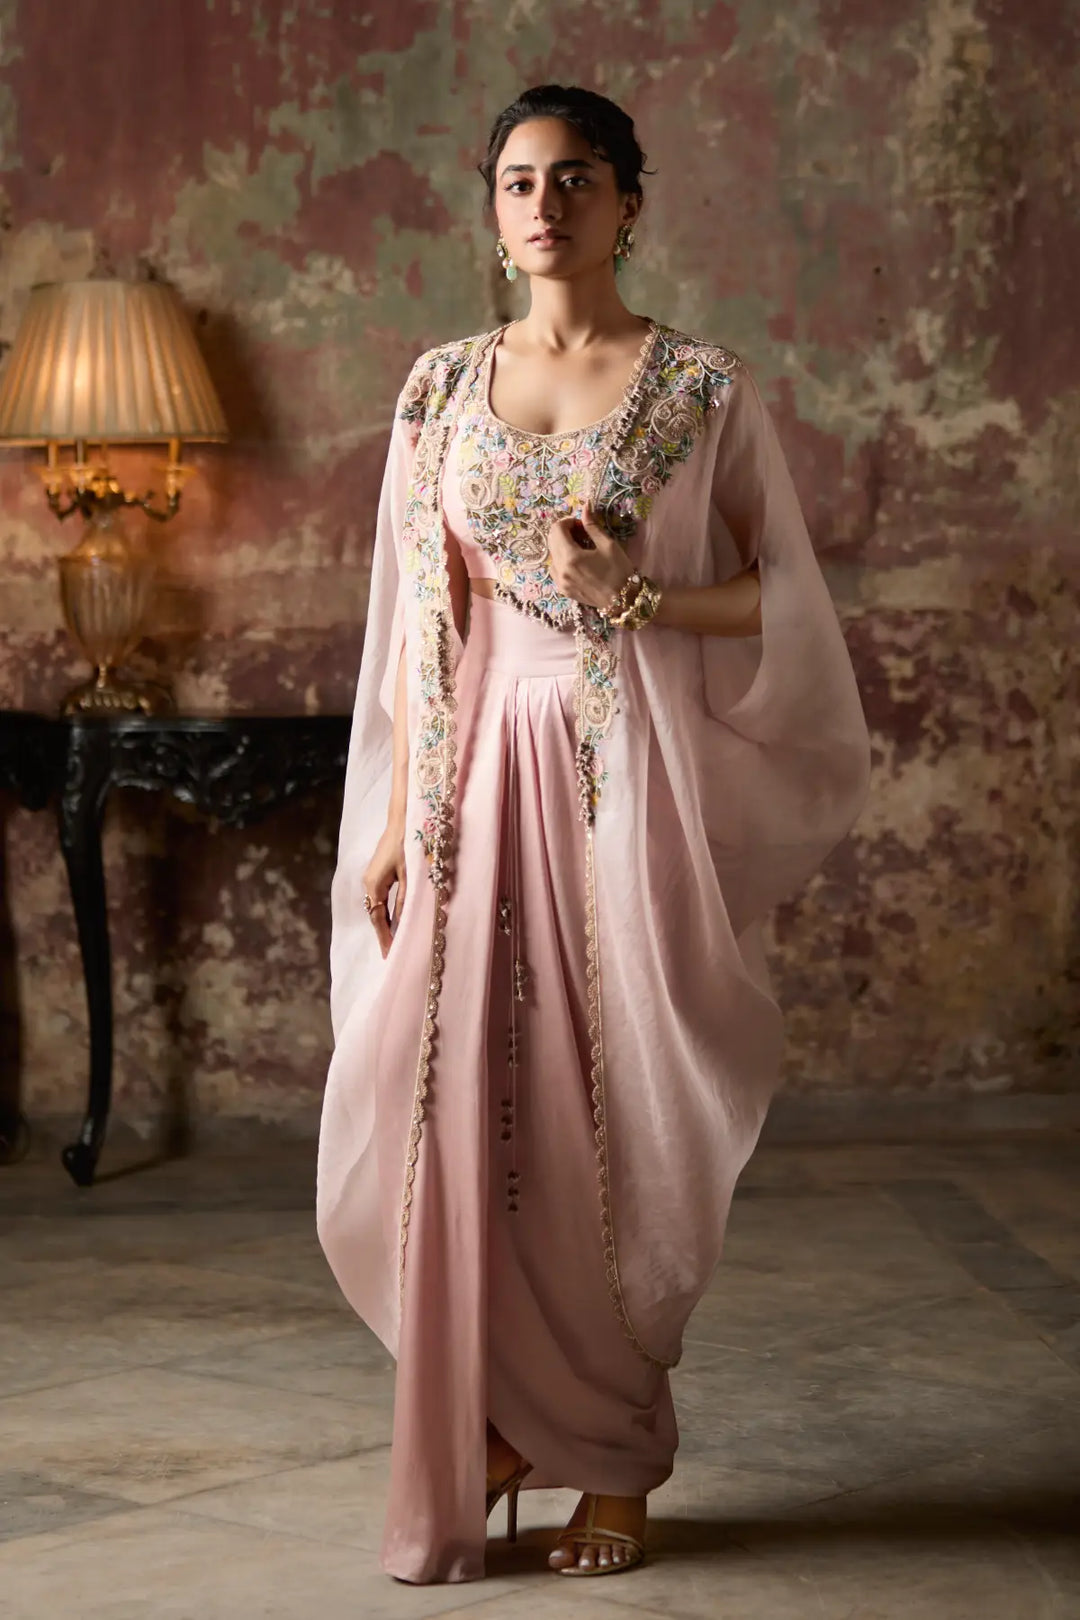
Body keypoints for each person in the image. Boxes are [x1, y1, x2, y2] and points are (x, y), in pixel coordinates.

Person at [316, 83, 871, 1586]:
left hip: (621, 772)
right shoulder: (438, 390)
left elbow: (786, 596)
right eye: (516, 180)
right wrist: (388, 821)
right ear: (489, 212)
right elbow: (416, 619)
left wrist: (639, 598)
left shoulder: (696, 388)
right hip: (465, 777)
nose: (545, 204)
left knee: (602, 1116)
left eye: (577, 178)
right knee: (456, 1112)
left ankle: (614, 1451)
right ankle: (493, 1427)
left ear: (632, 201)